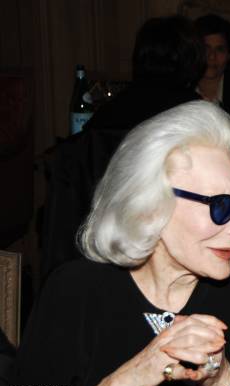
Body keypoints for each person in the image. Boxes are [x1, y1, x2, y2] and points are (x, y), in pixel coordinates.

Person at [15, 101, 230, 386]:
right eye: (220, 206)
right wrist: (123, 383)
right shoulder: (74, 290)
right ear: (149, 206)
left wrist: (222, 380)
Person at [41, 15, 204, 281]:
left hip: (97, 249)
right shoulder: (197, 117)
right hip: (168, 250)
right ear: (192, 59)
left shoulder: (108, 113)